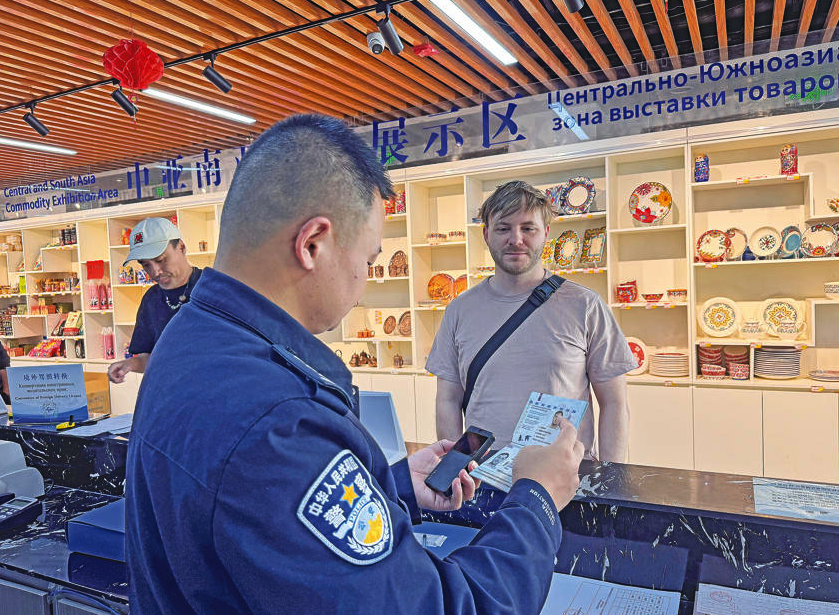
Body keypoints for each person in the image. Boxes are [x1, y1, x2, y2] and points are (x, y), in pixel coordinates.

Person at [126, 115, 584, 615]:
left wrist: (390, 487)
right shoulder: (279, 419)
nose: (365, 282)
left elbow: (272, 527)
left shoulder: (188, 338)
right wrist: (537, 497)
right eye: (368, 259)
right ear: (313, 244)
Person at [427, 180, 635, 462]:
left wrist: (612, 476)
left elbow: (614, 403)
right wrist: (455, 469)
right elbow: (448, 399)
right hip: (482, 472)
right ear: (486, 234)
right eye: (503, 228)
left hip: (563, 474)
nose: (516, 239)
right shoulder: (459, 310)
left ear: (546, 232)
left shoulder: (585, 306)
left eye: (528, 228)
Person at [107, 218, 201, 384]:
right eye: (146, 265)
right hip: (171, 391)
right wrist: (129, 364)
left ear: (181, 247)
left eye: (160, 260)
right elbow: (151, 357)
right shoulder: (151, 299)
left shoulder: (213, 288)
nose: (155, 271)